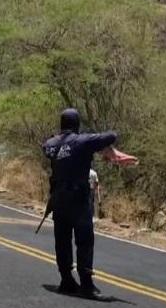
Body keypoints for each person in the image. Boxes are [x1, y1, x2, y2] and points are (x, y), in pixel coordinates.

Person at [42, 109, 117, 297]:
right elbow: (111, 136)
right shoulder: (81, 141)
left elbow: (46, 146)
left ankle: (66, 280)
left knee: (62, 240)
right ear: (76, 124)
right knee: (84, 240)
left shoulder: (51, 145)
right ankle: (86, 283)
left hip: (58, 199)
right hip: (78, 199)